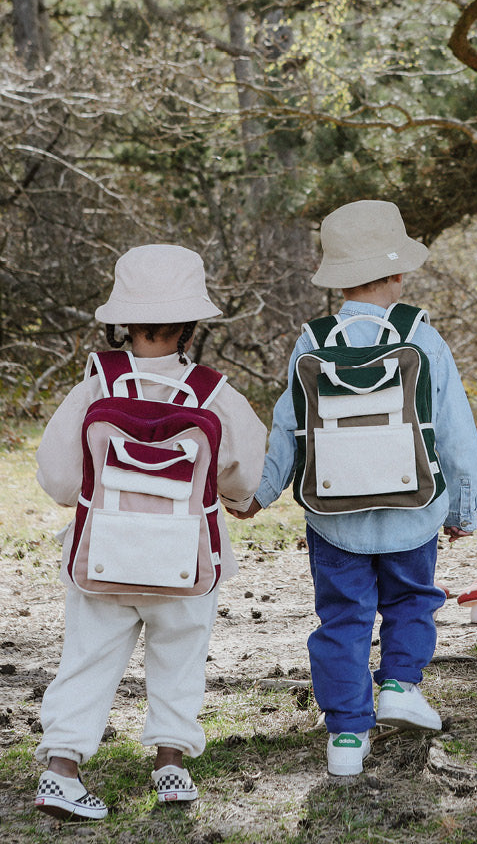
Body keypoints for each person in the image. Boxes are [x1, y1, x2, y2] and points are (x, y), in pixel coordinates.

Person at [242, 200, 477, 777]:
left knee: (344, 619)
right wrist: (461, 505)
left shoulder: (313, 342)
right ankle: (400, 684)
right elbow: (454, 430)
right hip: (414, 507)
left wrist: (260, 492)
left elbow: (288, 428)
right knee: (411, 601)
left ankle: (347, 736)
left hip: (334, 516)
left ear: (337, 279)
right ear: (400, 272)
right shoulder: (422, 339)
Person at [32, 244, 266, 821]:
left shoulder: (95, 387)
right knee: (180, 654)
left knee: (86, 657)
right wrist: (238, 500)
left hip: (102, 556)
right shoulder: (215, 393)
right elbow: (246, 471)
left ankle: (62, 768)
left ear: (121, 322)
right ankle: (171, 765)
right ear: (191, 324)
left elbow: (58, 476)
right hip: (188, 557)